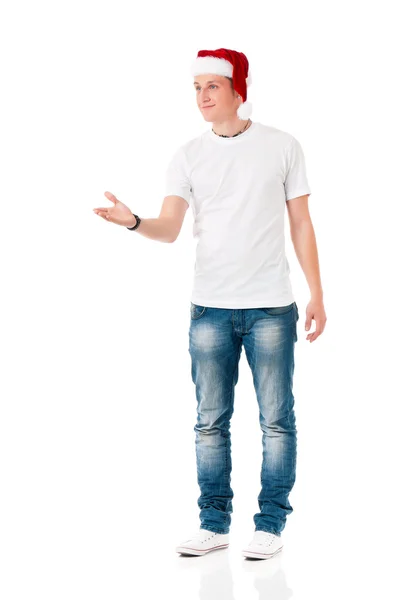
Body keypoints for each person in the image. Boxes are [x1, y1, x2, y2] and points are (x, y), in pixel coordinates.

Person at [93, 47, 327, 560]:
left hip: (271, 306)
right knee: (209, 421)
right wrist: (133, 222)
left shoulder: (282, 146)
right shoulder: (187, 155)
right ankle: (214, 522)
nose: (202, 95)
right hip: (209, 309)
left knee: (276, 419)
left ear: (237, 89)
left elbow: (301, 223)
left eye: (212, 86)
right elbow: (170, 229)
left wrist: (317, 294)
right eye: (196, 87)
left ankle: (269, 524)